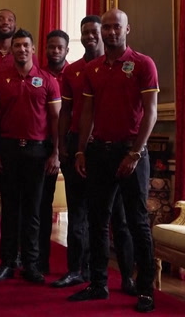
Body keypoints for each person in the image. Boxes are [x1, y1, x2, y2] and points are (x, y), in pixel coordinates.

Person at [68, 9, 158, 314]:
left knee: (136, 222)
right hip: (99, 153)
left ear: (126, 29)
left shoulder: (143, 64)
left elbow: (151, 112)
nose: (110, 32)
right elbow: (87, 114)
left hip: (132, 153)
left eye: (115, 27)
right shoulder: (93, 69)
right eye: (105, 27)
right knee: (97, 219)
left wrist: (135, 153)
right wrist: (81, 151)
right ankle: (98, 284)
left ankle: (145, 289)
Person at [50, 16, 136, 293]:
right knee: (79, 214)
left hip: (110, 146)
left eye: (94, 31)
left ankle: (127, 277)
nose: (90, 36)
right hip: (78, 146)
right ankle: (77, 271)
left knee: (118, 218)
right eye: (85, 32)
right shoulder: (73, 71)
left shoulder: (122, 67)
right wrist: (63, 145)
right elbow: (65, 111)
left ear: (105, 33)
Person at [0, 28, 60, 285]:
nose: (21, 50)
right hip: (7, 149)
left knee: (34, 211)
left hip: (37, 152)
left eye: (26, 45)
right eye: (17, 45)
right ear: (12, 49)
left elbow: (55, 120)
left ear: (33, 49)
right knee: (9, 208)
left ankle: (31, 264)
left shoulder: (48, 80)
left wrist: (56, 154)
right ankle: (6, 262)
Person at [37, 29, 70, 274]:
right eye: (51, 47)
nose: (55, 51)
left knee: (80, 208)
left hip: (74, 147)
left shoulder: (77, 74)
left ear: (67, 50)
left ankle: (79, 264)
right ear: (45, 49)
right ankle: (41, 260)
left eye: (60, 47)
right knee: (42, 205)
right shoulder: (37, 75)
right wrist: (54, 151)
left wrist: (63, 151)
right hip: (46, 147)